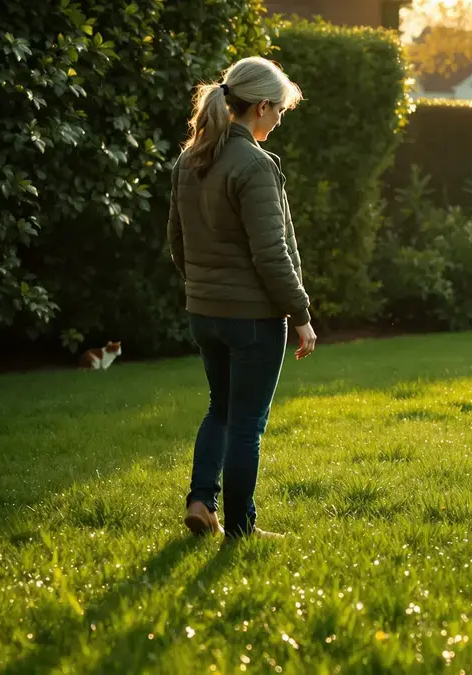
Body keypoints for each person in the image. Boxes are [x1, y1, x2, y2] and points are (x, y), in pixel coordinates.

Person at [167, 57, 317, 541]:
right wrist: (300, 314)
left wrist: (203, 289)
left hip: (203, 313)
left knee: (220, 410)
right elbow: (272, 254)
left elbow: (177, 242)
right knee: (247, 423)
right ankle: (240, 529)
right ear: (261, 107)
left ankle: (200, 503)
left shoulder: (190, 160)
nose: (279, 121)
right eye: (280, 112)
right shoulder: (252, 163)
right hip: (252, 320)